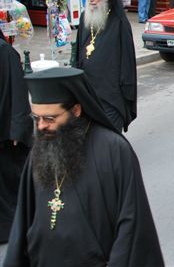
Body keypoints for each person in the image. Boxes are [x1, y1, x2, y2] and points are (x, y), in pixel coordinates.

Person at [5, 68, 163, 266]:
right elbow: (22, 222)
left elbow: (132, 228)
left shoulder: (114, 150)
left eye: (50, 118)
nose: (41, 126)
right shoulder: (40, 150)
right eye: (36, 118)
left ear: (76, 111)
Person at [74, 0, 137, 132]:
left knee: (109, 136)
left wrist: (125, 90)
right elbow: (78, 51)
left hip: (111, 95)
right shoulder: (84, 18)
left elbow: (127, 60)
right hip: (88, 92)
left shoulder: (119, 22)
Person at [0, 28, 32, 243]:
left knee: (10, 186)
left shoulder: (5, 52)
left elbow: (18, 92)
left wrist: (18, 129)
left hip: (6, 134)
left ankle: (16, 230)